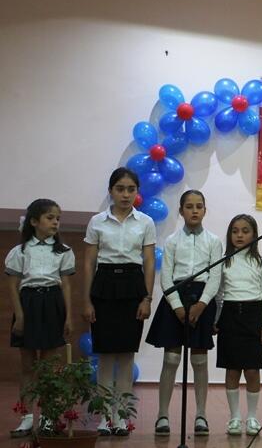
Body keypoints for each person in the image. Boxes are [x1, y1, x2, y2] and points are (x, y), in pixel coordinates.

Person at [83, 167, 155, 436]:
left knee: (126, 354)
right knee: (104, 354)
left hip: (133, 286)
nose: (126, 194)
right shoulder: (97, 221)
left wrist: (147, 297)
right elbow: (89, 263)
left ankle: (122, 416)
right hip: (103, 286)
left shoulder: (145, 222)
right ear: (111, 191)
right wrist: (87, 300)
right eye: (120, 189)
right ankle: (104, 417)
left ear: (137, 192)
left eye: (131, 189)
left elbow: (149, 263)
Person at [145, 190, 223, 436]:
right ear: (181, 211)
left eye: (199, 206)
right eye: (189, 206)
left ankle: (201, 415)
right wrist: (177, 306)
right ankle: (162, 415)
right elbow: (166, 276)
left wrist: (202, 304)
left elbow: (215, 276)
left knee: (199, 360)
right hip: (175, 298)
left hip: (202, 299)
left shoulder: (213, 241)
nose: (194, 210)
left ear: (205, 210)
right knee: (171, 358)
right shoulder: (172, 240)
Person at [7, 199, 75, 438]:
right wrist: (19, 315)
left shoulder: (64, 251)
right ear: (34, 221)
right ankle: (26, 417)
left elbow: (66, 285)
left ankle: (48, 416)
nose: (55, 222)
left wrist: (68, 316)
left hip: (53, 303)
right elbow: (13, 285)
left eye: (58, 218)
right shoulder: (20, 251)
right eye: (50, 218)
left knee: (49, 367)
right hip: (28, 303)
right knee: (28, 365)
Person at [215, 214, 262, 436]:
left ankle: (252, 417)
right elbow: (219, 295)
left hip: (253, 316)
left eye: (245, 231)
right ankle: (234, 418)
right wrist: (216, 319)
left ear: (254, 234)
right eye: (235, 231)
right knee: (232, 369)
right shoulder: (224, 261)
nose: (239, 235)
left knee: (251, 369)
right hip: (230, 316)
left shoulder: (261, 263)